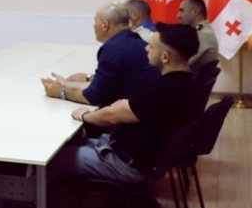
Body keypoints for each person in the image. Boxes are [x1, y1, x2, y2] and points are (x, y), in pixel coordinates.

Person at [49, 23, 204, 186]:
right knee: (71, 142)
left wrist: (84, 115)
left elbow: (111, 117)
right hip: (135, 156)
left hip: (124, 165)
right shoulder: (188, 83)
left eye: (150, 46)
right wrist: (121, 108)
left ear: (165, 57)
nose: (146, 49)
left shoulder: (161, 89)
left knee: (54, 159)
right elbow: (125, 109)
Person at [40, 1, 158, 106]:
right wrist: (67, 84)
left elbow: (94, 97)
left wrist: (60, 92)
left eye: (95, 21)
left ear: (104, 25)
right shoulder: (136, 41)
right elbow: (106, 85)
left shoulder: (113, 49)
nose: (93, 26)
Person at [177, 0, 219, 70]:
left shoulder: (202, 34)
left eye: (182, 11)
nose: (178, 16)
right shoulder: (201, 31)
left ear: (195, 12)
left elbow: (182, 63)